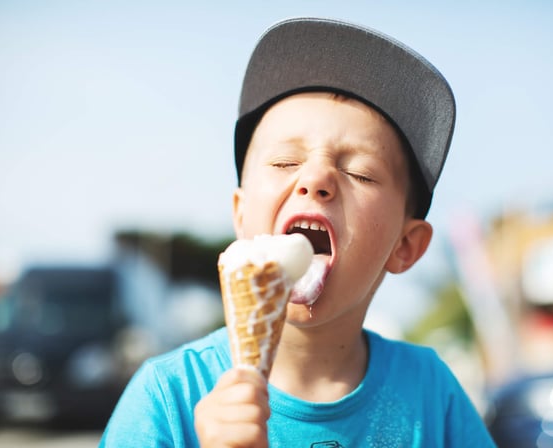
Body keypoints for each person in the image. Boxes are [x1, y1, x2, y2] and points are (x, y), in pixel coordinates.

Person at [100, 17, 496, 447]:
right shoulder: (168, 395)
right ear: (240, 213)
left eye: (359, 172)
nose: (316, 177)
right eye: (285, 162)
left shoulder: (431, 393)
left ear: (404, 246)